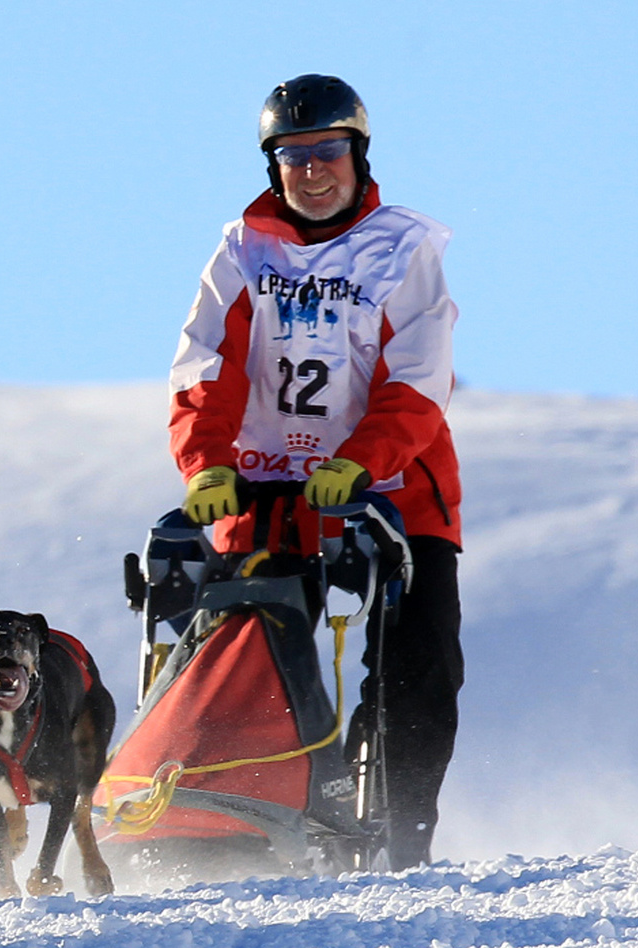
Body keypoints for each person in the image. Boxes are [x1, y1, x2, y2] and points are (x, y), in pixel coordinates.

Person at [166, 74, 463, 869]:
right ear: (274, 167)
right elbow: (206, 368)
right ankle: (235, 820)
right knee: (240, 646)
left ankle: (403, 840)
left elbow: (418, 377)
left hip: (393, 490)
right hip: (264, 490)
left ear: (357, 154)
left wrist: (361, 464)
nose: (312, 170)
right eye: (293, 156)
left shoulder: (403, 249)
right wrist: (206, 467)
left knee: (420, 661)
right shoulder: (242, 250)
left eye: (327, 150)